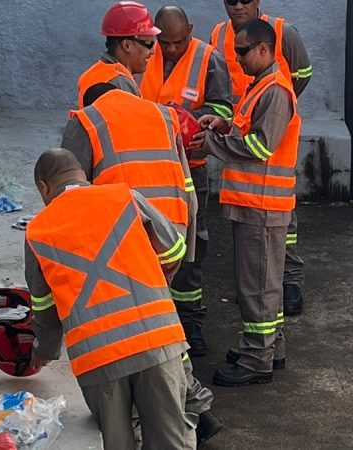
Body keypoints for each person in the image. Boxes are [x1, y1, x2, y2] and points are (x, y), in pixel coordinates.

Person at [61, 82, 223, 444]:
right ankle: (198, 408)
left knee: (137, 331)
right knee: (159, 324)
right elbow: (188, 185)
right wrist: (186, 246)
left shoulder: (87, 121)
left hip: (125, 238)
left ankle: (177, 408)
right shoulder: (163, 115)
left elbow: (71, 193)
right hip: (171, 232)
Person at [24, 148, 195, 449]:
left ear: (43, 186)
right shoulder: (124, 196)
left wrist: (43, 352)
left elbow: (44, 305)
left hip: (98, 358)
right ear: (83, 175)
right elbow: (173, 249)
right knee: (171, 440)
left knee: (116, 442)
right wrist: (154, 281)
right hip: (157, 340)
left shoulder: (38, 230)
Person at [189, 19, 300, 387]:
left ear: (264, 49)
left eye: (242, 51)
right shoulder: (262, 87)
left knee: (258, 289)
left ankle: (257, 358)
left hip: (262, 206)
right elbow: (249, 133)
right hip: (256, 204)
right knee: (262, 286)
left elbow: (260, 147)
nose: (236, 59)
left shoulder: (274, 90)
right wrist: (223, 127)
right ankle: (269, 348)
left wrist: (211, 144)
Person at [140, 5, 234, 357]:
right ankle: (156, 322)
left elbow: (224, 108)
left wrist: (197, 122)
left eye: (179, 42)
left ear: (190, 31)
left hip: (189, 168)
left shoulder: (208, 58)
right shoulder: (143, 53)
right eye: (164, 42)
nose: (172, 49)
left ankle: (190, 325)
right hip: (148, 167)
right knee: (150, 244)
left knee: (191, 245)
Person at [210, 0, 311, 315]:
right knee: (262, 260)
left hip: (266, 156)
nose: (237, 5)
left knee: (279, 235)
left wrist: (275, 108)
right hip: (247, 138)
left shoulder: (282, 33)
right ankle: (266, 335)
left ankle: (289, 282)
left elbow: (303, 74)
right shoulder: (219, 34)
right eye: (230, 0)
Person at [76, 1, 161, 109]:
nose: (153, 52)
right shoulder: (121, 83)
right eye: (149, 44)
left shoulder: (91, 74)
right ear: (127, 45)